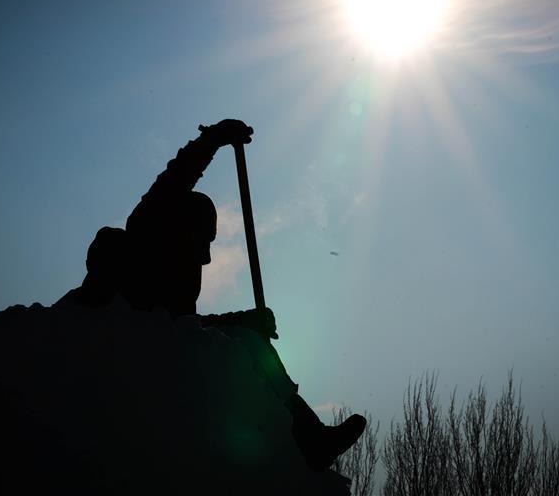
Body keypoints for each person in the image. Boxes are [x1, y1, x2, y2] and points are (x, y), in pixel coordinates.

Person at [58, 119, 365, 471]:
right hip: (127, 368)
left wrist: (243, 321)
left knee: (250, 340)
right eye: (202, 239)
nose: (206, 255)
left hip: (167, 353)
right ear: (178, 227)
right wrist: (214, 139)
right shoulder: (144, 238)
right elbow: (175, 179)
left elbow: (188, 326)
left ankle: (309, 435)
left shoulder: (179, 282)